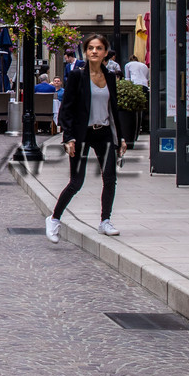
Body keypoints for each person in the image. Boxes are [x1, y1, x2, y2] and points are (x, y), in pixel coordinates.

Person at [47, 33, 127, 242]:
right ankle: (54, 219)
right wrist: (68, 138)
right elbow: (67, 109)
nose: (94, 51)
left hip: (104, 132)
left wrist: (122, 137)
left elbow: (114, 109)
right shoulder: (77, 76)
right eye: (90, 48)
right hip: (82, 133)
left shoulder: (110, 76)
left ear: (105, 53)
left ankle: (105, 221)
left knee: (110, 178)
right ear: (86, 51)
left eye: (98, 48)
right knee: (76, 182)